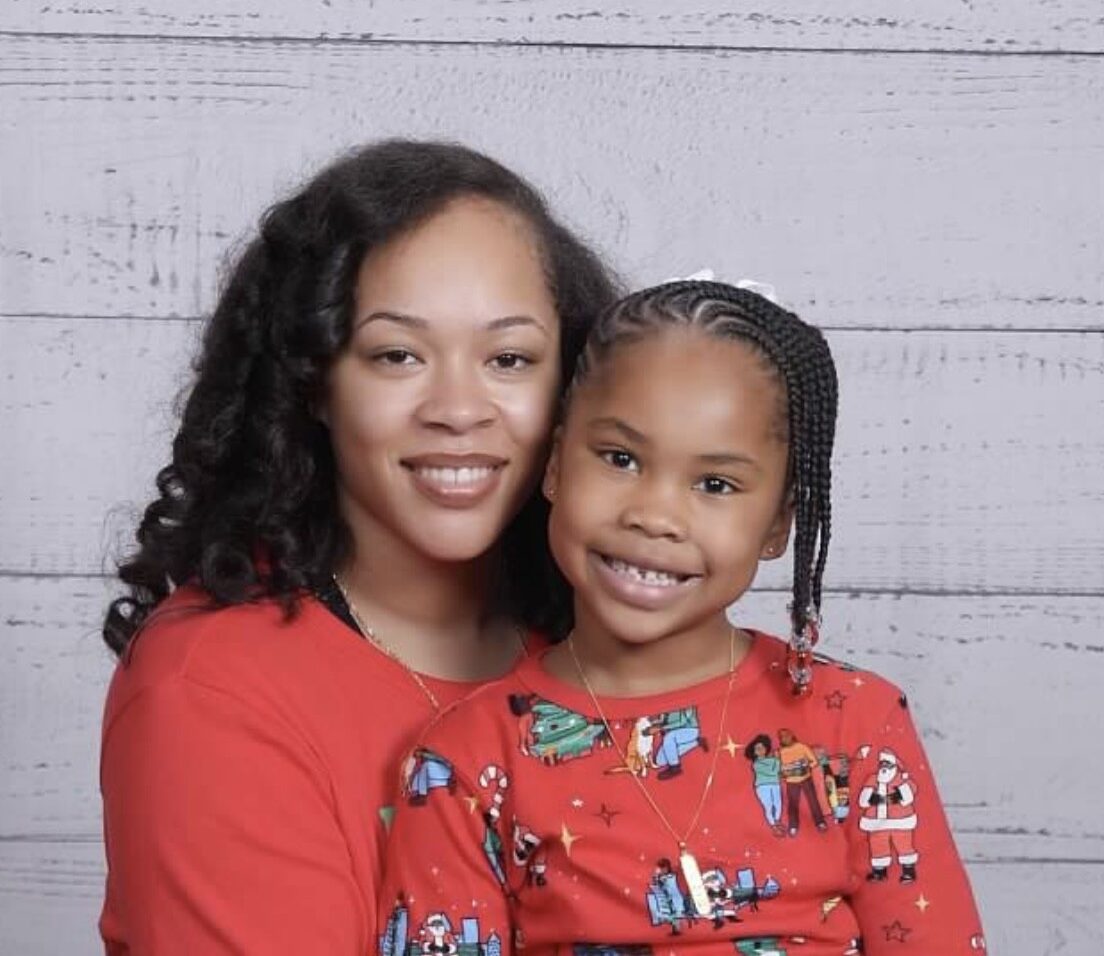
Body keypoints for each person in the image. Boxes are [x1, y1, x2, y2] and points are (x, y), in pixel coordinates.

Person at [97, 139, 619, 954]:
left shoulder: (610, 644)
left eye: (509, 358)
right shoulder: (211, 689)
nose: (457, 407)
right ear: (314, 381)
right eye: (397, 355)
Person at [377, 280, 984, 954]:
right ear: (553, 466)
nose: (655, 516)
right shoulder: (468, 760)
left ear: (778, 523)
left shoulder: (856, 721)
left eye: (715, 485)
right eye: (620, 459)